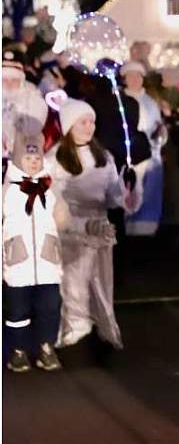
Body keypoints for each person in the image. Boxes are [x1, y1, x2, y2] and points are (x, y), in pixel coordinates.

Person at [46, 98, 141, 351]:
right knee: (73, 281)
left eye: (91, 122)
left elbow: (112, 195)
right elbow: (50, 195)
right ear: (69, 126)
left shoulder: (103, 156)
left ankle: (103, 327)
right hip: (71, 227)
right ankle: (75, 330)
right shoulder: (55, 158)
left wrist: (126, 195)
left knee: (101, 280)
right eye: (82, 122)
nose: (89, 127)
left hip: (99, 226)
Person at [3, 134, 70, 372]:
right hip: (18, 262)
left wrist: (62, 215)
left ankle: (46, 348)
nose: (33, 162)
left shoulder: (49, 188)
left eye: (37, 157)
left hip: (47, 262)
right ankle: (19, 351)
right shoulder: (8, 188)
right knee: (17, 311)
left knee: (49, 307)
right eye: (28, 157)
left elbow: (62, 217)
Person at [121, 60, 165, 236]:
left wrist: (160, 134)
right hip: (127, 154)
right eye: (130, 76)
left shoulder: (150, 102)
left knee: (149, 191)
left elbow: (158, 126)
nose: (134, 79)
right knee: (128, 191)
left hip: (150, 154)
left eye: (138, 76)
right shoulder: (119, 100)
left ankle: (146, 229)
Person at [2, 49, 47, 164]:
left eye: (14, 80)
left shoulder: (33, 99)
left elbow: (33, 129)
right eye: (4, 80)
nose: (9, 84)